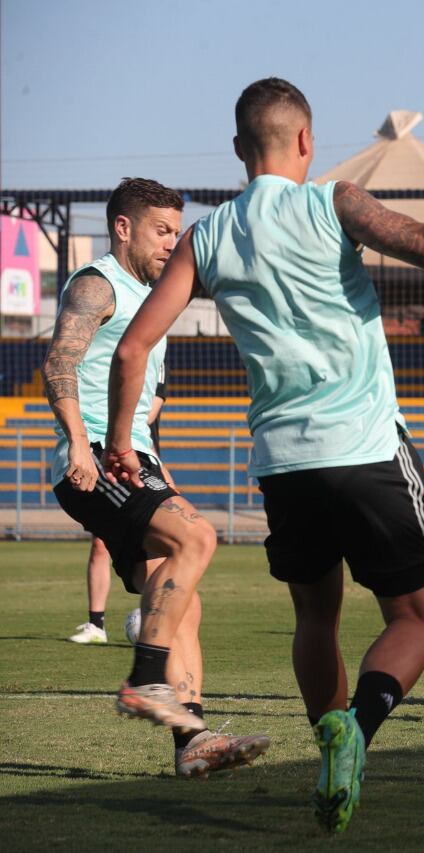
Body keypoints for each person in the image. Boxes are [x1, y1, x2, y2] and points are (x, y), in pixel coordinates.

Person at [105, 78, 424, 833]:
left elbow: (135, 345)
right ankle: (356, 731)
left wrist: (118, 441)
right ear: (305, 141)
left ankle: (329, 733)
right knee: (419, 616)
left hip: (282, 462)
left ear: (240, 150)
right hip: (366, 445)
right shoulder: (334, 199)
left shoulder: (207, 237)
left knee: (316, 614)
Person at [44, 177, 269, 776]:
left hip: (132, 459)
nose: (173, 242)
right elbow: (59, 364)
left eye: (178, 230)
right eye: (161, 230)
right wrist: (77, 446)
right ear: (123, 228)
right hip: (95, 457)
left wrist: (156, 466)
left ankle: (190, 741)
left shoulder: (151, 300)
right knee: (197, 538)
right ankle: (146, 680)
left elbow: (145, 408)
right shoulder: (98, 284)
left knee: (184, 606)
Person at [67, 379, 165, 645]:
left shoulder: (154, 360)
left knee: (176, 543)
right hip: (114, 453)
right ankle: (96, 624)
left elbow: (150, 411)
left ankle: (165, 619)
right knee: (100, 542)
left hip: (143, 455)